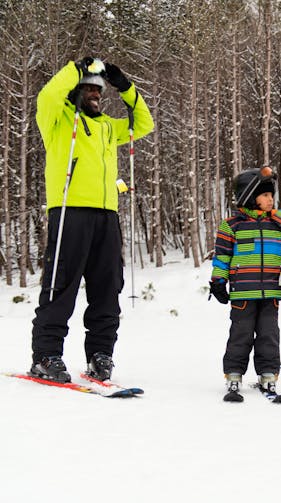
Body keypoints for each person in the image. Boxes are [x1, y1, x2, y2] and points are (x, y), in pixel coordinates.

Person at [30, 57, 154, 383]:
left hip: (106, 215)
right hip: (70, 210)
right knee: (61, 285)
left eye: (98, 90)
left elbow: (144, 123)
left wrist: (124, 85)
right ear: (75, 92)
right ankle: (46, 355)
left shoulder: (109, 128)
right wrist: (75, 69)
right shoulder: (58, 122)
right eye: (88, 89)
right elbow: (46, 97)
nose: (95, 94)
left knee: (107, 288)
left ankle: (101, 355)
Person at [209, 167, 281, 401]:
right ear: (249, 196)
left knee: (269, 334)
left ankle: (268, 373)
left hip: (271, 291)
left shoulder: (280, 224)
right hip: (243, 293)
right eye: (265, 195)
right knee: (240, 334)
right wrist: (218, 281)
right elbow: (222, 257)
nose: (270, 199)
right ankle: (234, 372)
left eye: (271, 195)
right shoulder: (232, 226)